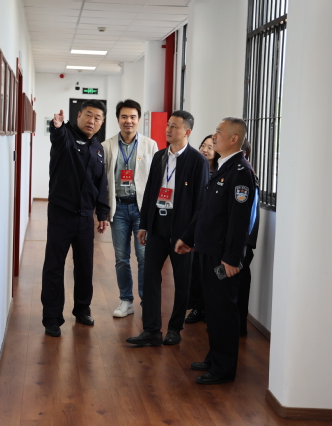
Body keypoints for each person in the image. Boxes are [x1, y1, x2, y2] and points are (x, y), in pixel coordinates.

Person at [175, 117, 256, 384]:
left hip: (222, 256)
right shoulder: (223, 167)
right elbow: (205, 211)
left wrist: (232, 258)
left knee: (223, 311)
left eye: (219, 132)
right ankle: (214, 357)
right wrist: (188, 237)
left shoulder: (241, 172)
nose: (214, 136)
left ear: (234, 139)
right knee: (213, 309)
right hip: (207, 249)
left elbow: (239, 222)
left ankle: (223, 368)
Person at [126, 110, 209, 347]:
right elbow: (150, 191)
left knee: (182, 280)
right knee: (150, 276)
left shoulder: (197, 161)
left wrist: (190, 236)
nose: (168, 129)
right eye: (168, 125)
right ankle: (151, 329)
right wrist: (144, 224)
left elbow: (201, 203)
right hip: (157, 224)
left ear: (187, 131)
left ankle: (174, 328)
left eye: (175, 126)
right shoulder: (160, 156)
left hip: (182, 228)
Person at [41, 100, 110, 337]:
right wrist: (57, 127)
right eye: (88, 115)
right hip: (61, 214)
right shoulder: (66, 137)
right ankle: (52, 318)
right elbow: (58, 138)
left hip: (85, 218)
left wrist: (102, 213)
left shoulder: (98, 148)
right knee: (54, 267)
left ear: (102, 122)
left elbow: (101, 183)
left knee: (84, 266)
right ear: (79, 115)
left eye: (97, 118)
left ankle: (82, 309)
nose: (92, 121)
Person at [101, 99, 158, 317]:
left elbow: (156, 179)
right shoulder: (107, 146)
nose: (128, 121)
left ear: (139, 120)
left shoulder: (150, 145)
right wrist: (102, 211)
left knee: (144, 257)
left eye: (133, 117)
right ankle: (126, 300)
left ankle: (145, 300)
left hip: (141, 209)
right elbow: (103, 181)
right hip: (119, 209)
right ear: (117, 119)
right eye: (124, 117)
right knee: (121, 258)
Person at [185, 135, 219, 325]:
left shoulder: (221, 173)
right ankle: (197, 307)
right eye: (203, 146)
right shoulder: (195, 169)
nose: (205, 150)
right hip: (195, 227)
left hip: (212, 231)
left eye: (210, 147)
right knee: (195, 271)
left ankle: (209, 309)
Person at [238, 139, 260, 336]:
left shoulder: (247, 175)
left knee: (240, 284)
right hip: (238, 242)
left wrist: (245, 243)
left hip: (243, 243)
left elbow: (250, 216)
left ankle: (239, 326)